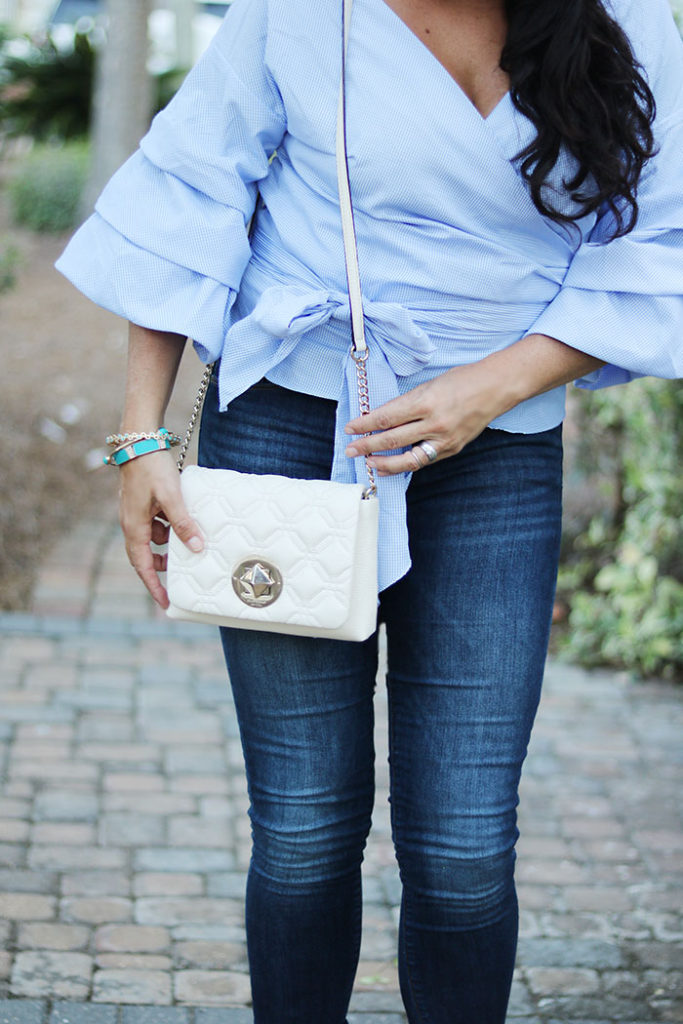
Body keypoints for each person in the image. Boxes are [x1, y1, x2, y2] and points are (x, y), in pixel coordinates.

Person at [57, 0, 683, 1019]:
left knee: (466, 848)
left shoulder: (626, 19)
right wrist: (141, 438)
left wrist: (493, 386)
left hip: (499, 450)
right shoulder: (298, 12)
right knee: (303, 829)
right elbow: (192, 193)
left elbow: (665, 232)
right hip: (293, 435)